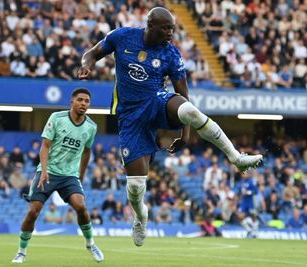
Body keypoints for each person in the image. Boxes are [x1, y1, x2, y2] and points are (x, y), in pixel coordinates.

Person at [78, 7, 263, 247]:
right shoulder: (122, 37)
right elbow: (91, 53)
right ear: (151, 25)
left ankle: (236, 157)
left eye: (172, 29)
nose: (170, 33)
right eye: (166, 28)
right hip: (130, 117)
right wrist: (87, 65)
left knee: (189, 111)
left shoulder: (171, 54)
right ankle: (140, 216)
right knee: (135, 187)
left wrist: (185, 133)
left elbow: (183, 94)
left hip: (156, 101)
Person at [12, 88, 104, 263]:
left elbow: (86, 152)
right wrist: (44, 171)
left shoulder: (91, 126)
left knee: (81, 207)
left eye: (87, 101)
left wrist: (81, 176)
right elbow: (45, 146)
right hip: (48, 172)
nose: (83, 103)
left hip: (69, 176)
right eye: (80, 100)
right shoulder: (57, 118)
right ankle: (21, 251)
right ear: (72, 102)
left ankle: (90, 243)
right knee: (33, 211)